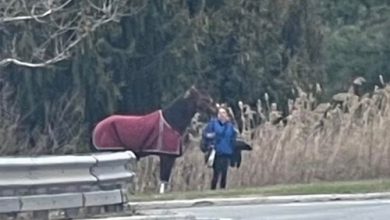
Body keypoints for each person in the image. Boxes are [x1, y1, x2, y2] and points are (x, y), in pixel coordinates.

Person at [203, 106, 237, 190]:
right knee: (216, 173)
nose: (221, 115)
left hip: (227, 152)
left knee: (224, 173)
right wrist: (211, 136)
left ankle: (223, 189)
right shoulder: (213, 124)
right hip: (216, 152)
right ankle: (213, 189)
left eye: (223, 113)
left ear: (227, 115)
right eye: (220, 113)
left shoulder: (231, 126)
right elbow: (205, 134)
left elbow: (233, 139)